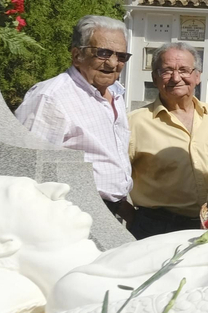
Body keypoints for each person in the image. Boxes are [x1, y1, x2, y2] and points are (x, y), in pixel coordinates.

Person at [15, 16, 133, 222]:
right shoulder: (51, 97)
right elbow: (28, 168)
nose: (113, 63)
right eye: (103, 53)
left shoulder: (115, 94)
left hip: (112, 212)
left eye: (121, 56)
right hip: (71, 212)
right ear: (77, 55)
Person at [126, 43, 208, 238]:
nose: (176, 78)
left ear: (197, 76)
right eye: (167, 71)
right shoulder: (134, 123)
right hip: (157, 228)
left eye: (184, 70)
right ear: (154, 77)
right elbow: (111, 180)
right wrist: (134, 219)